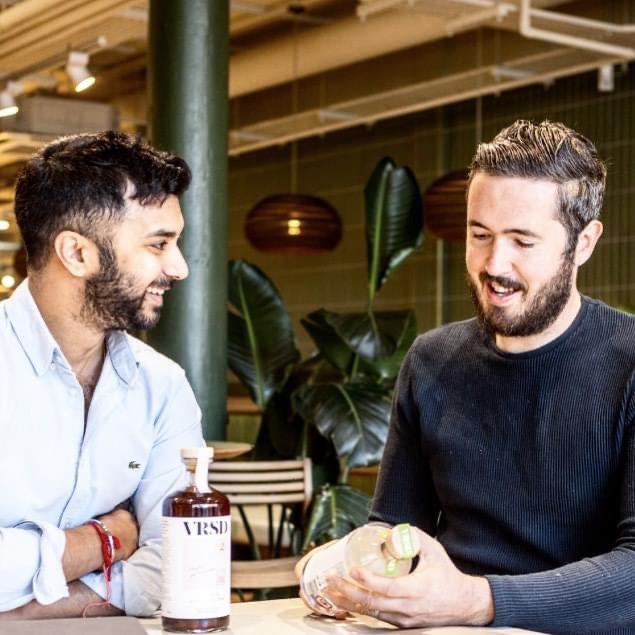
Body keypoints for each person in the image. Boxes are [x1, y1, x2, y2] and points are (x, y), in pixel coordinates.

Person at [299, 120, 635, 634]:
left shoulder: (628, 362)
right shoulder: (431, 360)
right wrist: (346, 566)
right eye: (480, 235)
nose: (494, 264)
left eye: (522, 241)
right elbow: (395, 529)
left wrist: (478, 601)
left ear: (584, 243)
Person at [0, 131, 205, 618]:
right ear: (77, 253)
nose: (179, 268)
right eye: (159, 244)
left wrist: (18, 618)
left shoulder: (163, 386)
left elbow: (181, 567)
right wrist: (106, 539)